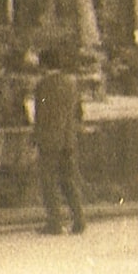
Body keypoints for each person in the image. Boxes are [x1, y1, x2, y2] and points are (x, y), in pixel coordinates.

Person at [32, 48, 85, 235]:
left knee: (49, 182)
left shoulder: (42, 86)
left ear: (44, 64)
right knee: (68, 180)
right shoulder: (71, 83)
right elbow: (79, 112)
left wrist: (35, 138)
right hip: (68, 139)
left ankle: (55, 222)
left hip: (49, 140)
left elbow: (40, 115)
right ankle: (79, 219)